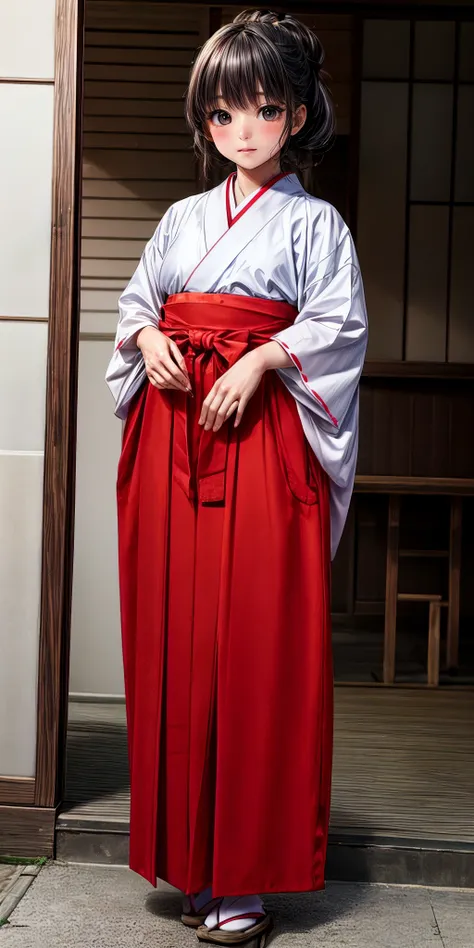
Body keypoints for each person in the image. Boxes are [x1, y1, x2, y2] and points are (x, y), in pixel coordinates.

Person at [105, 9, 368, 947]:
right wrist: (147, 339)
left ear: (297, 114)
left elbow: (337, 328)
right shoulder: (181, 221)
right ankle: (191, 856)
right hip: (176, 437)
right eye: (223, 114)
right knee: (180, 639)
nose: (243, 130)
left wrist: (259, 363)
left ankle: (245, 872)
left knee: (255, 644)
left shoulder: (316, 223)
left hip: (261, 447)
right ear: (206, 122)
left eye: (263, 108)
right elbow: (138, 303)